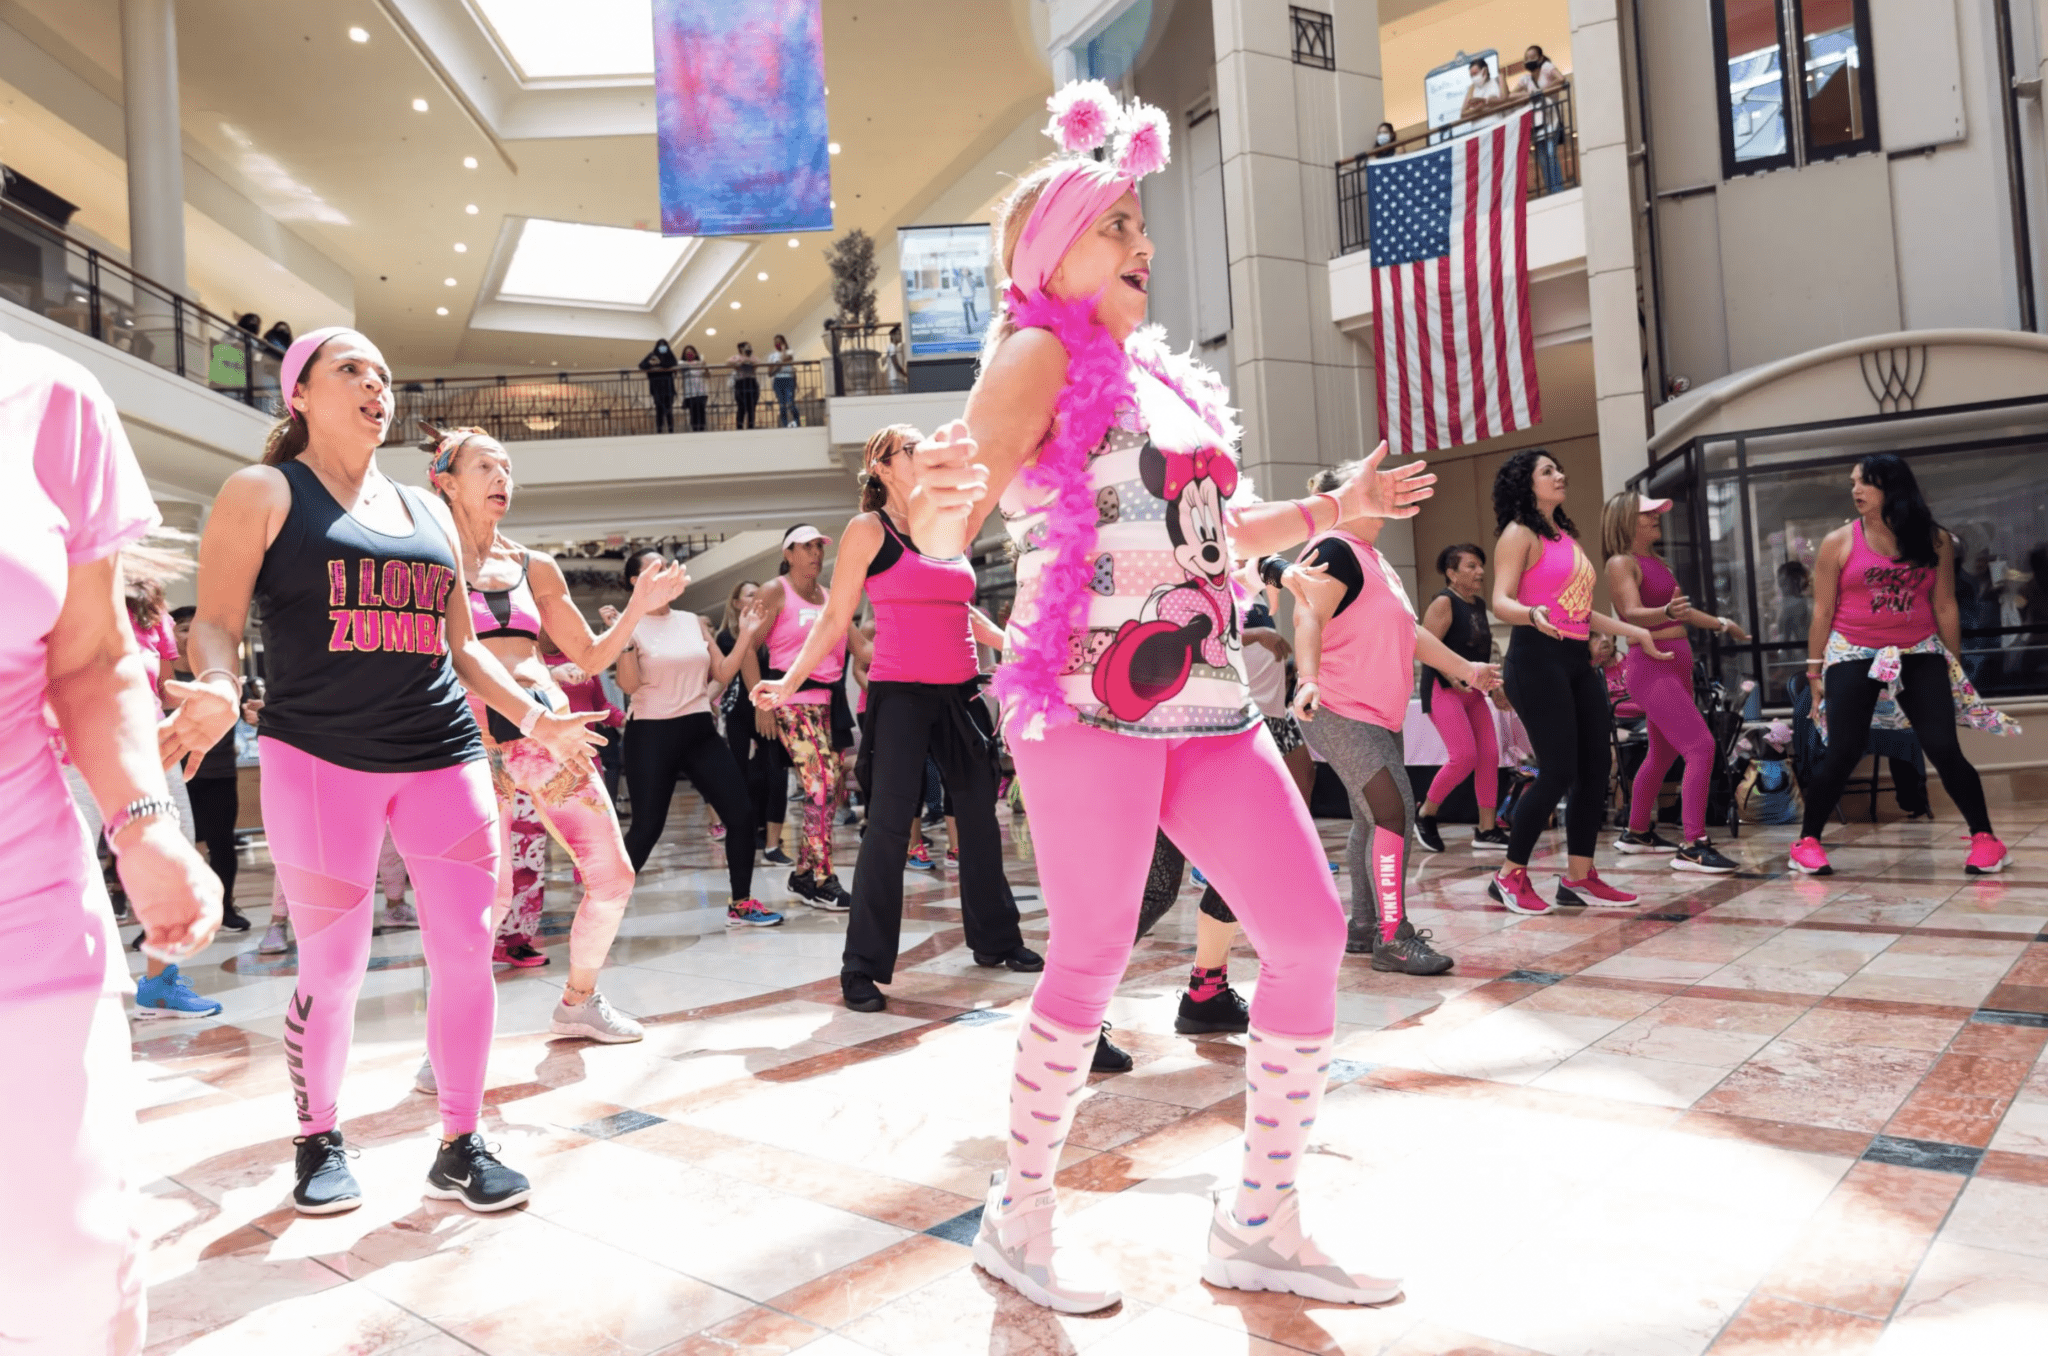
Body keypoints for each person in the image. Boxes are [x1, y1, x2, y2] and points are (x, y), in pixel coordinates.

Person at [902, 82, 1433, 1313]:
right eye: (1117, 227)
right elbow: (957, 508)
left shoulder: (1162, 380)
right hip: (1086, 702)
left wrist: (1333, 510)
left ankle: (1258, 1216)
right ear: (1052, 252)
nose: (1144, 245)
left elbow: (1214, 532)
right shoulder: (1036, 350)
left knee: (1302, 938)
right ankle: (1017, 1213)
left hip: (1205, 701)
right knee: (1088, 959)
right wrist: (930, 501)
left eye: (1143, 227)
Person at [165, 326, 606, 1217]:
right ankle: (318, 1135)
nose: (378, 386)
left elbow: (463, 647)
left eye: (386, 373)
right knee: (333, 968)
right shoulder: (263, 491)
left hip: (441, 751)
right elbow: (214, 620)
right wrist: (216, 682)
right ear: (300, 394)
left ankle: (460, 1139)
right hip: (319, 755)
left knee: (465, 952)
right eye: (353, 370)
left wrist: (533, 717)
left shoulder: (430, 510)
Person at [2, 333, 220, 1355]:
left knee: (69, 1271)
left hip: (24, 900)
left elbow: (90, 656)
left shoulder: (48, 397)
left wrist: (143, 826)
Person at [432, 423, 727, 1019]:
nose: (501, 479)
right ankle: (451, 1036)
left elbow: (591, 656)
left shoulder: (534, 567)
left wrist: (640, 608)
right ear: (445, 482)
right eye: (486, 467)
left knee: (614, 876)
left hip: (549, 742)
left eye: (508, 468)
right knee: (486, 893)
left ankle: (579, 1000)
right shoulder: (428, 562)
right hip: (466, 745)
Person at [754, 425, 1039, 1013]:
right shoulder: (868, 530)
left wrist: (1015, 644)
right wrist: (787, 683)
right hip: (901, 694)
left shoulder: (947, 524)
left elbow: (963, 609)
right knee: (888, 831)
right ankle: (861, 967)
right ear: (882, 466)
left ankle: (997, 939)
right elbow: (836, 618)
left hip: (961, 694)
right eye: (912, 449)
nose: (925, 454)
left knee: (979, 822)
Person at [1288, 464, 1501, 974]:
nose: (1386, 490)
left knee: (1372, 816)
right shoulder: (1333, 548)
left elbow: (1410, 633)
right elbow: (1306, 615)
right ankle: (1393, 936)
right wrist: (1308, 677)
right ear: (1344, 495)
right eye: (1374, 482)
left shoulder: (1372, 559)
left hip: (1376, 712)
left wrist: (1466, 669)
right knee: (1394, 810)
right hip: (1339, 706)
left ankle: (1365, 928)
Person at [1791, 454, 2011, 876]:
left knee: (1943, 746)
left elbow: (1945, 605)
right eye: (1853, 483)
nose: (1856, 490)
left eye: (1866, 483)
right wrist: (1815, 672)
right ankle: (1806, 842)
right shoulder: (1838, 541)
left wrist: (1954, 667)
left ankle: (1987, 840)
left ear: (1892, 488)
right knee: (1844, 749)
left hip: (1918, 650)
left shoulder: (1935, 540)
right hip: (1854, 649)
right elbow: (1822, 610)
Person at [1486, 449, 1669, 916]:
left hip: (1574, 656)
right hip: (1535, 657)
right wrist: (1531, 614)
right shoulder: (1518, 534)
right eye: (1548, 471)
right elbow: (1500, 601)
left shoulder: (1565, 537)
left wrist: (1635, 632)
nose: (1560, 474)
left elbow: (1580, 610)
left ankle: (1580, 876)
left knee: (1593, 769)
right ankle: (1508, 875)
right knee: (1558, 770)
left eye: (1558, 467)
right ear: (1526, 484)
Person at [612, 551, 780, 924]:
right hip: (651, 733)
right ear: (633, 583)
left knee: (740, 814)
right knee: (646, 828)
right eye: (652, 571)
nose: (664, 577)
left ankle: (741, 902)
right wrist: (622, 638)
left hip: (698, 728)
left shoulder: (691, 621)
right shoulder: (627, 624)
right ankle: (604, 908)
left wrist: (748, 634)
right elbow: (628, 684)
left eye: (667, 569)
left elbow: (721, 669)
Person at [1602, 491, 1746, 873]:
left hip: (1675, 665)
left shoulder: (1657, 563)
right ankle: (1693, 844)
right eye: (1646, 514)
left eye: (1655, 512)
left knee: (1662, 753)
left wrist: (1720, 623)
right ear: (1626, 521)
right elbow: (1631, 613)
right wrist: (1665, 611)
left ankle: (1636, 833)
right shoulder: (1621, 563)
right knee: (1700, 746)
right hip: (1650, 666)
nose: (1655, 518)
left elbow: (1682, 611)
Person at [751, 524, 865, 908]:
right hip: (791, 701)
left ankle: (802, 874)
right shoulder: (774, 591)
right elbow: (747, 647)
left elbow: (861, 647)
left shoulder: (831, 597)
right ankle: (822, 878)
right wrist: (760, 703)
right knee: (820, 784)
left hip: (830, 705)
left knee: (829, 790)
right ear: (788, 553)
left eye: (819, 546)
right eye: (807, 546)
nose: (816, 553)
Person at [1416, 542, 1510, 853]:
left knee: (1490, 756)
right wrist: (1454, 677)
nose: (1480, 571)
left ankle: (1487, 829)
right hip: (1443, 688)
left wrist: (1495, 688)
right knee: (1465, 756)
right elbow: (1425, 649)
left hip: (1473, 691)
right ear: (1451, 573)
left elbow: (1487, 652)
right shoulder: (1443, 603)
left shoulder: (1478, 604)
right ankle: (1425, 814)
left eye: (1480, 565)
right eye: (1471, 566)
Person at [171, 605, 253, 928]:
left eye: (197, 628)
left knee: (223, 844)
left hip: (219, 771)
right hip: (176, 774)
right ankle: (178, 917)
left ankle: (225, 908)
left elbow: (243, 711)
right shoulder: (163, 675)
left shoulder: (220, 672)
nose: (191, 635)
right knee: (177, 846)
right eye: (183, 628)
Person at [1515, 45, 1567, 191]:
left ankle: (1558, 190)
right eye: (1526, 58)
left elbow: (1561, 79)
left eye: (1532, 57)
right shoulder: (1525, 79)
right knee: (1542, 160)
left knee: (1551, 155)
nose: (1529, 60)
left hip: (1551, 119)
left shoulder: (1546, 67)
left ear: (1540, 57)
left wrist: (1541, 92)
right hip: (1536, 123)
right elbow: (1511, 95)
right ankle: (1551, 190)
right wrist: (1528, 95)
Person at [639, 339, 679, 434]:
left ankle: (671, 430)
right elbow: (641, 365)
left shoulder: (669, 355)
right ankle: (659, 430)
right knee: (659, 410)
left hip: (668, 386)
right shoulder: (652, 355)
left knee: (669, 409)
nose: (662, 347)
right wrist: (650, 363)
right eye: (660, 345)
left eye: (664, 345)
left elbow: (673, 364)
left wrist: (659, 363)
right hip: (656, 387)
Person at [768, 334, 801, 427]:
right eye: (775, 342)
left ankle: (797, 422)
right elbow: (769, 372)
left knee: (790, 403)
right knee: (782, 405)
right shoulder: (772, 356)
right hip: (778, 381)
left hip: (788, 379)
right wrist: (777, 366)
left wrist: (782, 354)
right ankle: (785, 425)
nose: (777, 343)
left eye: (779, 341)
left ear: (784, 342)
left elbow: (788, 359)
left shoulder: (789, 351)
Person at [1459, 58, 1503, 124]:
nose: (1474, 77)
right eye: (1471, 76)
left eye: (1475, 74)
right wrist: (1477, 109)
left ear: (1485, 71)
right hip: (1478, 129)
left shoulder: (1496, 81)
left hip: (1496, 124)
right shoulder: (1472, 88)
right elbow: (1463, 114)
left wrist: (1485, 102)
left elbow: (1504, 100)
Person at [729, 341, 760, 430]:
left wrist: (748, 360)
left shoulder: (753, 357)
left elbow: (757, 364)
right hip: (741, 382)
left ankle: (751, 426)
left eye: (750, 347)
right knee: (741, 405)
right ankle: (739, 426)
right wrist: (740, 363)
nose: (749, 348)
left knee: (752, 406)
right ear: (741, 349)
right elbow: (728, 362)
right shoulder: (736, 357)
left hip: (751, 382)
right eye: (747, 347)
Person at [679, 345, 710, 432]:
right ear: (684, 355)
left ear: (695, 353)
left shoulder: (700, 363)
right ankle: (695, 430)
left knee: (702, 411)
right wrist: (698, 363)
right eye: (687, 353)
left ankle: (702, 429)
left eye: (691, 352)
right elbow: (681, 367)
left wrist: (705, 367)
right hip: (690, 393)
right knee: (693, 413)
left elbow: (707, 375)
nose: (689, 354)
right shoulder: (681, 363)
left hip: (702, 392)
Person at [884, 324, 908, 392]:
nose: (901, 336)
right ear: (893, 336)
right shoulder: (892, 347)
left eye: (901, 334)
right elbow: (896, 364)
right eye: (899, 334)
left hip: (898, 380)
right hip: (896, 380)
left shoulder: (895, 347)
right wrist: (906, 374)